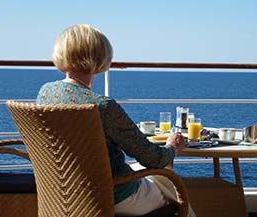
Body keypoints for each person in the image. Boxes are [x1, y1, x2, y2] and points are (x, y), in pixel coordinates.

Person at [36, 24, 187, 216]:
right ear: (101, 58)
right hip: (114, 196)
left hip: (65, 194)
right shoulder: (102, 106)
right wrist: (172, 148)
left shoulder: (46, 93)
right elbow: (152, 158)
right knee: (170, 186)